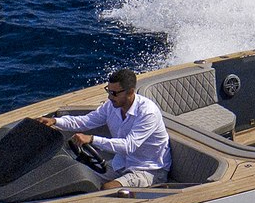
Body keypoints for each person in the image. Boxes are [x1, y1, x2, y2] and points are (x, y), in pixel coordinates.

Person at [35, 69, 171, 190]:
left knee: (109, 189)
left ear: (130, 92)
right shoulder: (111, 106)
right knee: (78, 176)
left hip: (149, 169)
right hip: (121, 163)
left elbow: (129, 146)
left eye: (114, 93)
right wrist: (55, 121)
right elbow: (86, 121)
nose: (110, 97)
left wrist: (92, 139)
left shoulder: (147, 113)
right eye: (108, 91)